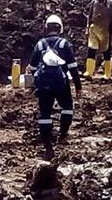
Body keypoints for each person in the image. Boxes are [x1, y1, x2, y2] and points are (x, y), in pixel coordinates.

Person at [28, 15, 83, 160]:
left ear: (46, 28)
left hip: (44, 84)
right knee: (67, 107)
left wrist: (36, 82)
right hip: (61, 83)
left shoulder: (40, 45)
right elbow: (72, 67)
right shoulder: (64, 44)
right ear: (60, 28)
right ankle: (63, 134)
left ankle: (46, 141)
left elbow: (32, 67)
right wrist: (78, 86)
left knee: (44, 112)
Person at [84, 0, 112, 80]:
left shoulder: (111, 3)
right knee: (91, 49)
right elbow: (90, 15)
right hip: (94, 28)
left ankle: (107, 73)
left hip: (105, 30)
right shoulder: (94, 2)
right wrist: (87, 28)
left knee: (106, 51)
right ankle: (89, 72)